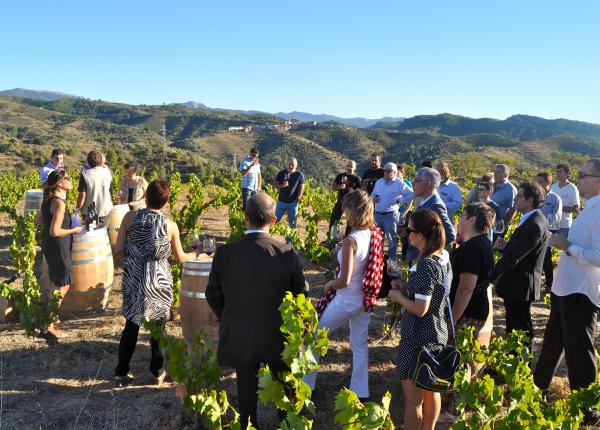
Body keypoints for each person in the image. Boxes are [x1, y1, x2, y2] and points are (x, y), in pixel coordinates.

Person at [206, 192, 307, 428]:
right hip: (278, 335)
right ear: (273, 220)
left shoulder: (225, 253)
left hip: (241, 333)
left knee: (246, 386)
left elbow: (213, 293)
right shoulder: (287, 253)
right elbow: (301, 294)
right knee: (285, 387)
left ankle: (249, 425)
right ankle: (287, 424)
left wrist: (228, 315)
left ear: (245, 217)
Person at [533, 159, 600, 426]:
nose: (578, 178)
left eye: (583, 175)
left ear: (597, 180)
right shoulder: (590, 207)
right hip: (566, 288)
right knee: (552, 343)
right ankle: (538, 388)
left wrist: (568, 246)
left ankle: (588, 410)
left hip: (581, 292)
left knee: (580, 351)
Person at [114, 180, 196, 387]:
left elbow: (118, 250)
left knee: (131, 326)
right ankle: (158, 372)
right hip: (158, 281)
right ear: (166, 202)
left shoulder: (128, 218)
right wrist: (196, 252)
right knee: (158, 330)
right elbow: (180, 258)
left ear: (146, 197)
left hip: (134, 278)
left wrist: (134, 257)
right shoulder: (171, 226)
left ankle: (121, 372)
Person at [305, 190, 383, 401]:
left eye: (346, 207)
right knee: (359, 345)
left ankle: (306, 386)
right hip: (364, 298)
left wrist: (330, 284)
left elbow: (344, 280)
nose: (344, 211)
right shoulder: (373, 233)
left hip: (346, 298)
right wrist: (340, 250)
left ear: (353, 210)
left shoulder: (351, 240)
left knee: (314, 335)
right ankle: (361, 391)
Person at [388, 210, 451, 430]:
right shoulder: (443, 258)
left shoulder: (425, 265)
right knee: (431, 389)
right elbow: (432, 297)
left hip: (418, 338)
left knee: (413, 401)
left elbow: (420, 309)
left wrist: (398, 297)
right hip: (436, 333)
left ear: (422, 235)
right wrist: (406, 289)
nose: (406, 234)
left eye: (410, 230)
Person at [439, 202, 495, 423]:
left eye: (463, 215)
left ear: (472, 220)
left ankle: (454, 411)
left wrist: (453, 317)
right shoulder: (482, 243)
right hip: (475, 309)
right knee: (465, 359)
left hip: (468, 312)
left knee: (460, 360)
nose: (459, 219)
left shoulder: (472, 248)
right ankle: (458, 401)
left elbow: (466, 287)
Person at [489, 181, 550, 352]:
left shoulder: (535, 225)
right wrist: (507, 246)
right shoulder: (532, 219)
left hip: (520, 285)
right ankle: (513, 364)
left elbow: (514, 258)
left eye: (519, 196)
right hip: (517, 284)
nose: (515, 199)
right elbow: (522, 252)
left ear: (529, 200)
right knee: (515, 327)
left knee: (520, 330)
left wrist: (490, 278)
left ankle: (519, 370)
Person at [36, 170, 84, 337]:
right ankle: (48, 327)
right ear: (59, 183)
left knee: (57, 281)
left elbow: (39, 220)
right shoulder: (59, 203)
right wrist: (74, 229)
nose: (71, 180)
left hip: (50, 246)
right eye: (67, 178)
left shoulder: (48, 199)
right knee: (63, 285)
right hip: (58, 247)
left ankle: (53, 317)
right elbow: (55, 231)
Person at [404, 167, 456, 263]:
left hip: (422, 260)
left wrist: (427, 252)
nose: (413, 184)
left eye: (416, 181)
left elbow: (449, 234)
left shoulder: (435, 206)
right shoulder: (426, 201)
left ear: (427, 184)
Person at [371, 162, 413, 265]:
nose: (385, 173)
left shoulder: (399, 183)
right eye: (384, 170)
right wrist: (373, 198)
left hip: (391, 215)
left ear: (394, 172)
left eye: (388, 171)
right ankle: (378, 261)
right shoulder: (379, 182)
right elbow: (372, 194)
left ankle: (392, 263)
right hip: (377, 215)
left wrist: (401, 199)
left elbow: (411, 194)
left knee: (391, 240)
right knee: (377, 239)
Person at [535, 172, 562, 292]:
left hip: (547, 232)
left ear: (548, 183)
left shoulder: (555, 199)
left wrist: (541, 219)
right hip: (533, 232)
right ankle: (535, 283)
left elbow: (557, 217)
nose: (537, 184)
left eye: (540, 182)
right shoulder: (534, 196)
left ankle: (550, 285)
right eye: (536, 182)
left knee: (546, 259)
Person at [76, 150, 113, 225]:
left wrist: (77, 209)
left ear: (88, 161)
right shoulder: (107, 172)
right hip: (105, 209)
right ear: (100, 161)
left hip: (89, 212)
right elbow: (110, 191)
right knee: (104, 234)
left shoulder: (85, 174)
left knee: (91, 235)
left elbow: (82, 195)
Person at [274, 158, 305, 234]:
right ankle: (269, 238)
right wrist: (281, 185)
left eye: (293, 165)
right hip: (281, 202)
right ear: (287, 164)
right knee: (274, 220)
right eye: (289, 164)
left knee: (292, 224)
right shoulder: (281, 173)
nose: (291, 166)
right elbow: (274, 184)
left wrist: (299, 197)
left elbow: (302, 187)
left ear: (296, 166)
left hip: (293, 203)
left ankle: (289, 242)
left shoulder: (300, 175)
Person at [329, 160, 361, 232]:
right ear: (346, 166)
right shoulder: (340, 176)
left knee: (350, 222)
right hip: (340, 202)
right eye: (348, 166)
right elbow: (333, 187)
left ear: (355, 168)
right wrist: (339, 187)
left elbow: (362, 190)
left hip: (351, 204)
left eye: (351, 167)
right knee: (334, 219)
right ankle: (332, 238)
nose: (349, 168)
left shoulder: (357, 178)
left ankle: (347, 238)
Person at [550, 163, 580, 239]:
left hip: (564, 225)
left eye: (560, 171)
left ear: (568, 173)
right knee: (548, 247)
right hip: (551, 223)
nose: (557, 174)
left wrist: (559, 207)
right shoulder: (553, 187)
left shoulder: (572, 189)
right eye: (557, 172)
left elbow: (576, 208)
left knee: (561, 248)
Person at [491, 164, 518, 237]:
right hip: (486, 224)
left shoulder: (510, 189)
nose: (495, 174)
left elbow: (513, 209)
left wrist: (503, 225)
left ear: (505, 175)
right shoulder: (491, 186)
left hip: (498, 227)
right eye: (495, 172)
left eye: (498, 172)